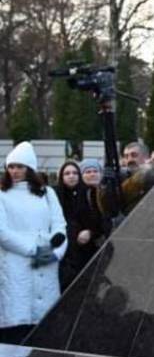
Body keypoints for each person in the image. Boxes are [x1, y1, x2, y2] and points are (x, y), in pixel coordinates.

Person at [0, 142, 67, 344]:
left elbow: (59, 226)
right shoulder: (2, 194)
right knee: (16, 319)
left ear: (30, 168)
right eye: (11, 167)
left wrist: (54, 252)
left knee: (43, 325)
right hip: (15, 262)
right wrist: (33, 250)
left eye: (20, 166)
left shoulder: (47, 193)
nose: (15, 171)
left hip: (45, 263)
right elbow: (2, 232)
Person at [53, 161, 99, 291]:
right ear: (61, 177)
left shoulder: (89, 193)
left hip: (85, 251)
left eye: (74, 173)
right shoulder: (55, 195)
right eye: (67, 173)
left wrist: (90, 232)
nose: (71, 176)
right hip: (63, 252)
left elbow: (98, 221)